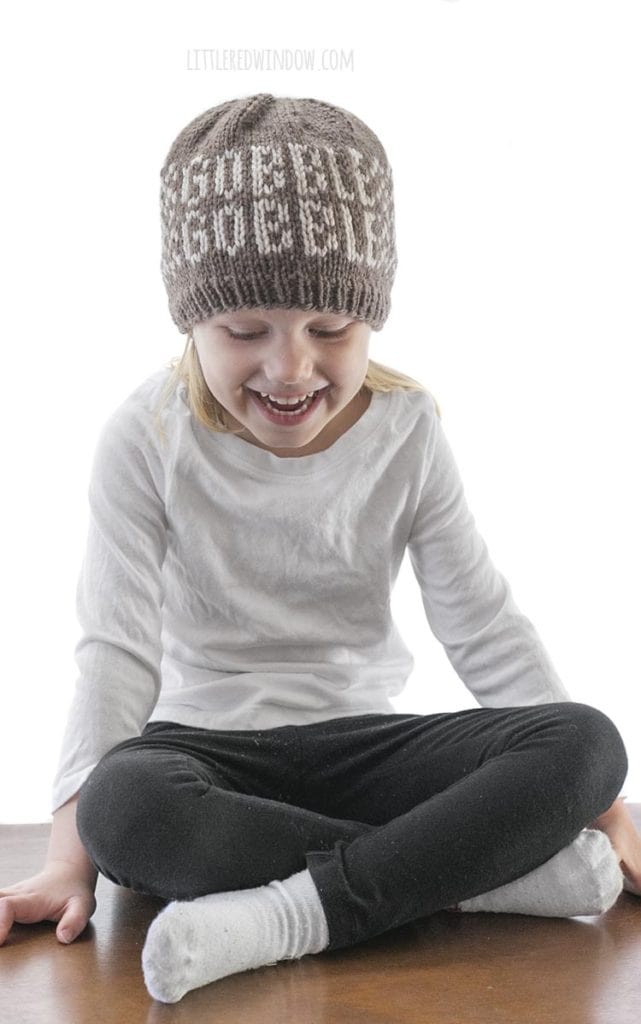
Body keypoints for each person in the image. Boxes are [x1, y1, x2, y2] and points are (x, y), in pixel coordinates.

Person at [0, 92, 639, 1005]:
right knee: (122, 809)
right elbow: (115, 652)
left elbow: (482, 623)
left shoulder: (409, 430)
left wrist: (601, 810)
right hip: (209, 760)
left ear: (369, 315)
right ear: (192, 320)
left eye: (329, 329)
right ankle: (478, 880)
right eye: (245, 330)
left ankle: (283, 912)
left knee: (585, 744)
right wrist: (72, 862)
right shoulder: (144, 437)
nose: (291, 367)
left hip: (369, 748)